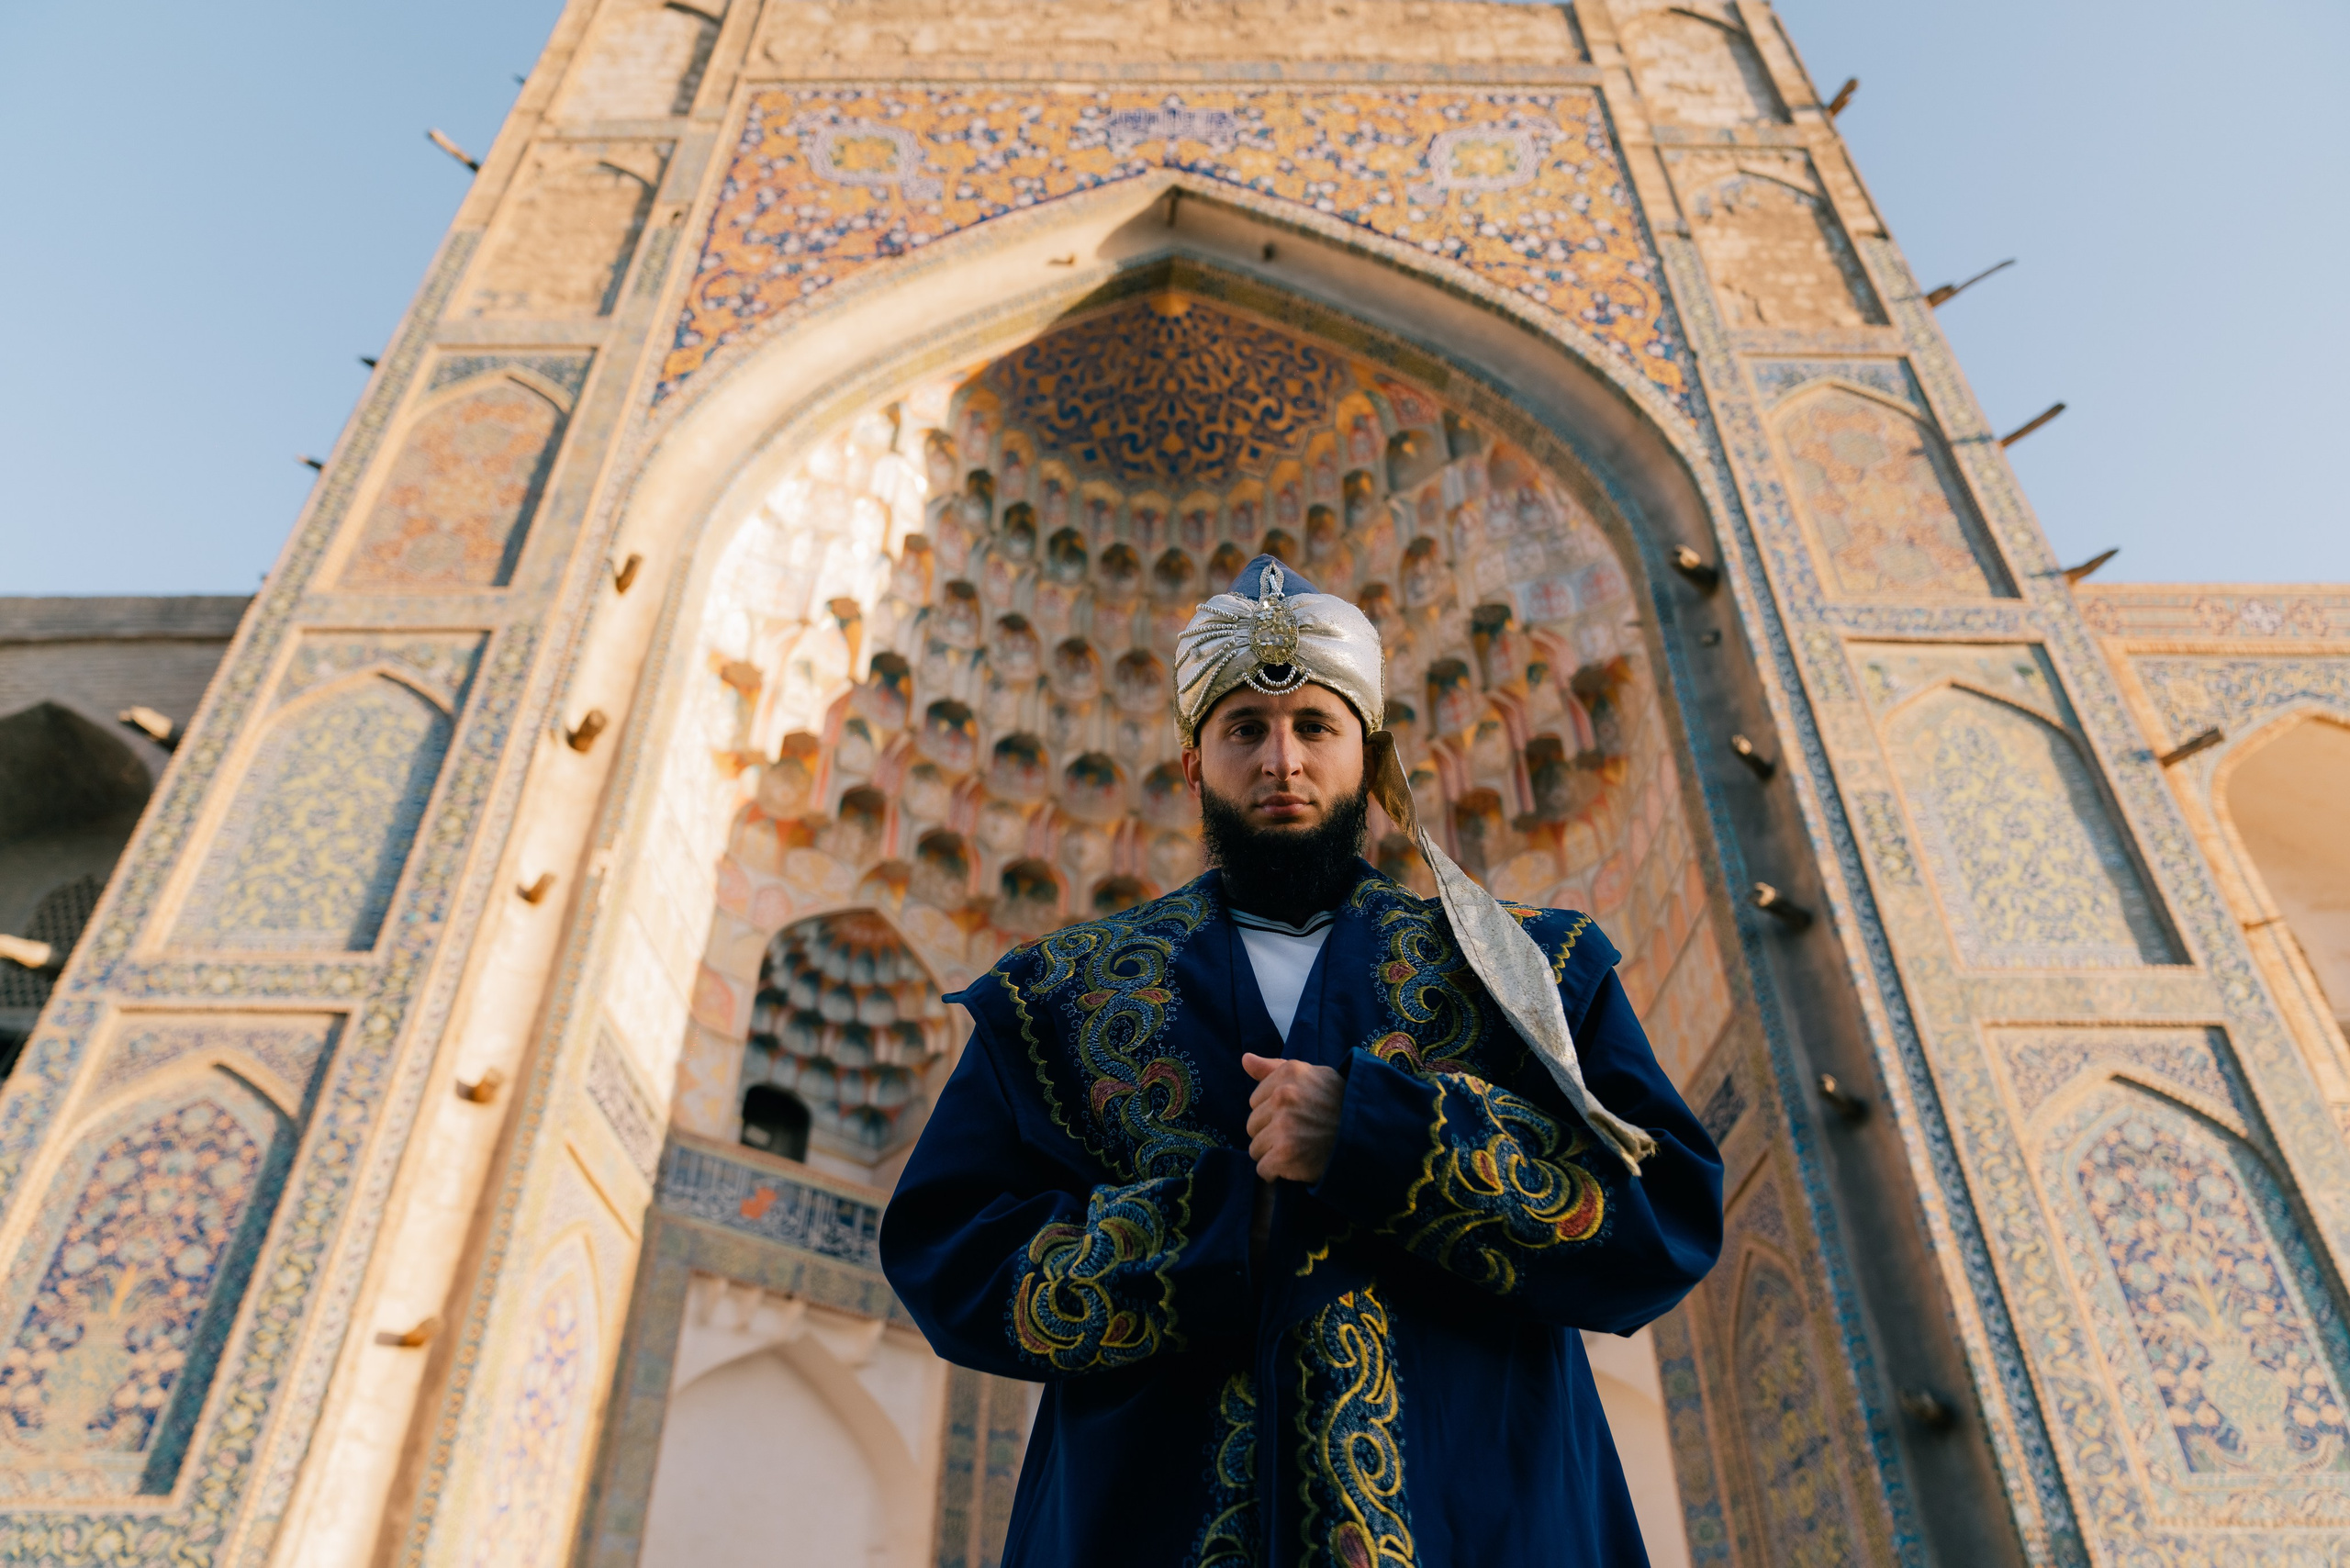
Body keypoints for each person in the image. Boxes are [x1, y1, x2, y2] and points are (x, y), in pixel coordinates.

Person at [880, 556, 1723, 1567]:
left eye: (1314, 727)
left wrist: (1386, 1139)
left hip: (1486, 1522)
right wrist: (1215, 1225)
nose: (1281, 760)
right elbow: (947, 1256)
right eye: (1245, 730)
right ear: (1195, 764)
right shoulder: (1061, 995)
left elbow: (1664, 1214)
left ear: (1368, 758)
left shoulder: (1525, 972)